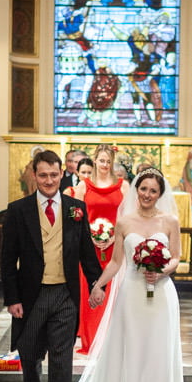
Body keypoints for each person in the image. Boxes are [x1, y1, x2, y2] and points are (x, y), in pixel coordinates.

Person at [71, 168, 192, 382]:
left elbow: (177, 257)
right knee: (129, 350)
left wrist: (162, 270)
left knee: (157, 352)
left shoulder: (170, 221)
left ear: (160, 194)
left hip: (161, 295)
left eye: (153, 191)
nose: (147, 194)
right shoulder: (124, 222)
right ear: (137, 190)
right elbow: (117, 262)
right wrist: (98, 285)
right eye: (143, 189)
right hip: (131, 293)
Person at [0, 150, 102, 382]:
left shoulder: (75, 208)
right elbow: (8, 260)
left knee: (62, 361)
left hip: (65, 296)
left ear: (62, 174)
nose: (48, 180)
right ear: (35, 174)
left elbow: (87, 252)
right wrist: (12, 298)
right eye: (43, 175)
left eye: (54, 175)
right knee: (29, 356)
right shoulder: (18, 211)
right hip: (31, 297)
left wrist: (96, 283)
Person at [73, 144, 130, 354]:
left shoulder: (123, 186)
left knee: (115, 294)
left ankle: (111, 341)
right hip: (89, 249)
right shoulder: (83, 186)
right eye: (101, 160)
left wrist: (114, 236)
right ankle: (91, 339)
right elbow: (76, 216)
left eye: (108, 161)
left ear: (112, 162)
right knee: (91, 290)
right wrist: (91, 237)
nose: (105, 165)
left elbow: (129, 217)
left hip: (116, 249)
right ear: (94, 160)